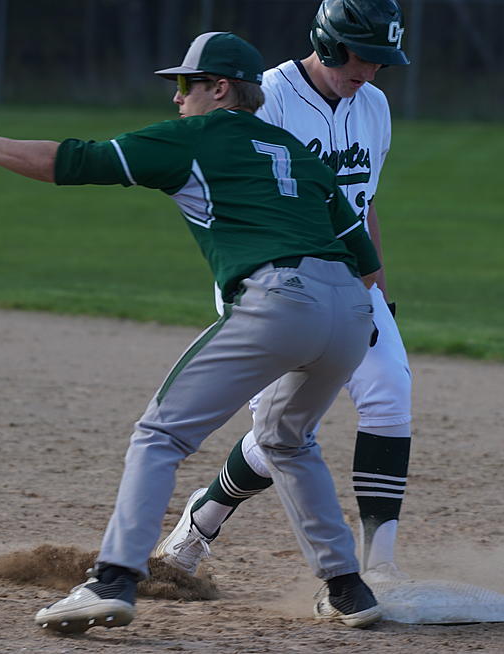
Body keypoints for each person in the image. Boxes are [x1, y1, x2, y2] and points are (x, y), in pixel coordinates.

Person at [0, 32, 384, 631]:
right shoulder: (295, 150)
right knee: (286, 440)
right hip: (354, 314)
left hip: (283, 300)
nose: (177, 99)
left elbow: (64, 162)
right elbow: (366, 262)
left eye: (185, 84)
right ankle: (349, 590)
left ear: (220, 88)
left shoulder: (192, 139)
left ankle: (113, 579)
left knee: (159, 434)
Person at [157, 0, 414, 586]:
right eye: (361, 57)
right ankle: (203, 518)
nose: (369, 72)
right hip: (273, 285)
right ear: (328, 43)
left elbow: (361, 203)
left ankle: (383, 565)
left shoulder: (374, 106)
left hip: (351, 282)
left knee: (390, 391)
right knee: (285, 436)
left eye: (381, 62)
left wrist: (380, 297)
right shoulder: (265, 98)